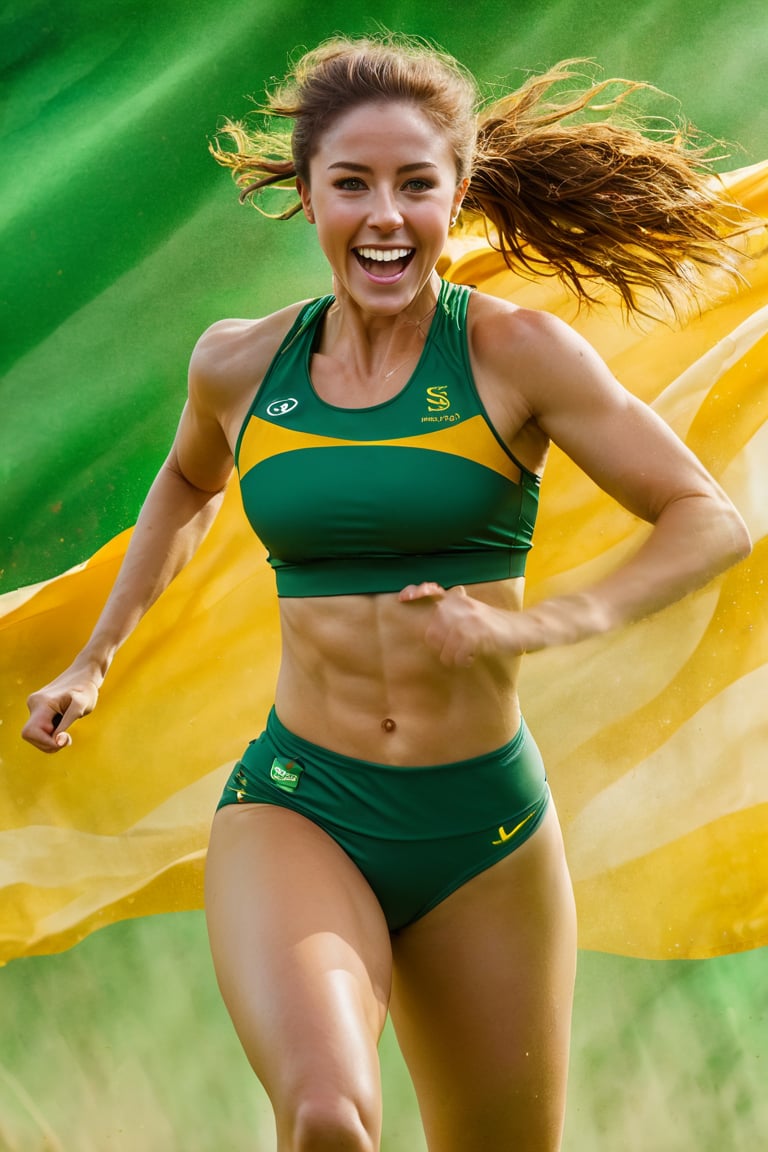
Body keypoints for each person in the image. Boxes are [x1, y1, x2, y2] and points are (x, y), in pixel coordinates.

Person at [23, 34, 752, 1152]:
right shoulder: (238, 364)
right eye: (351, 184)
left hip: (486, 832)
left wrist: (552, 620)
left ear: (458, 192)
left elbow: (707, 519)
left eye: (416, 184)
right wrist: (98, 652)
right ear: (304, 195)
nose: (384, 215)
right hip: (298, 805)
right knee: (325, 1117)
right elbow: (184, 480)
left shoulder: (516, 354)